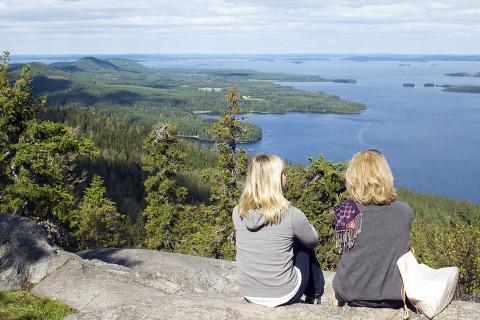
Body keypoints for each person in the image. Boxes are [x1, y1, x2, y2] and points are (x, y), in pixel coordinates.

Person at [232, 154, 324, 307]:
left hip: (248, 292)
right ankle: (314, 295)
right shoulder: (291, 214)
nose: (285, 177)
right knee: (304, 245)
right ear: (274, 180)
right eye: (283, 173)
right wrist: (307, 228)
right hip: (284, 293)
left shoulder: (238, 212)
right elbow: (313, 241)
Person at [332, 149, 413, 308]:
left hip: (354, 295)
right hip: (395, 297)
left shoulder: (345, 211)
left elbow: (346, 254)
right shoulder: (404, 211)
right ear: (386, 177)